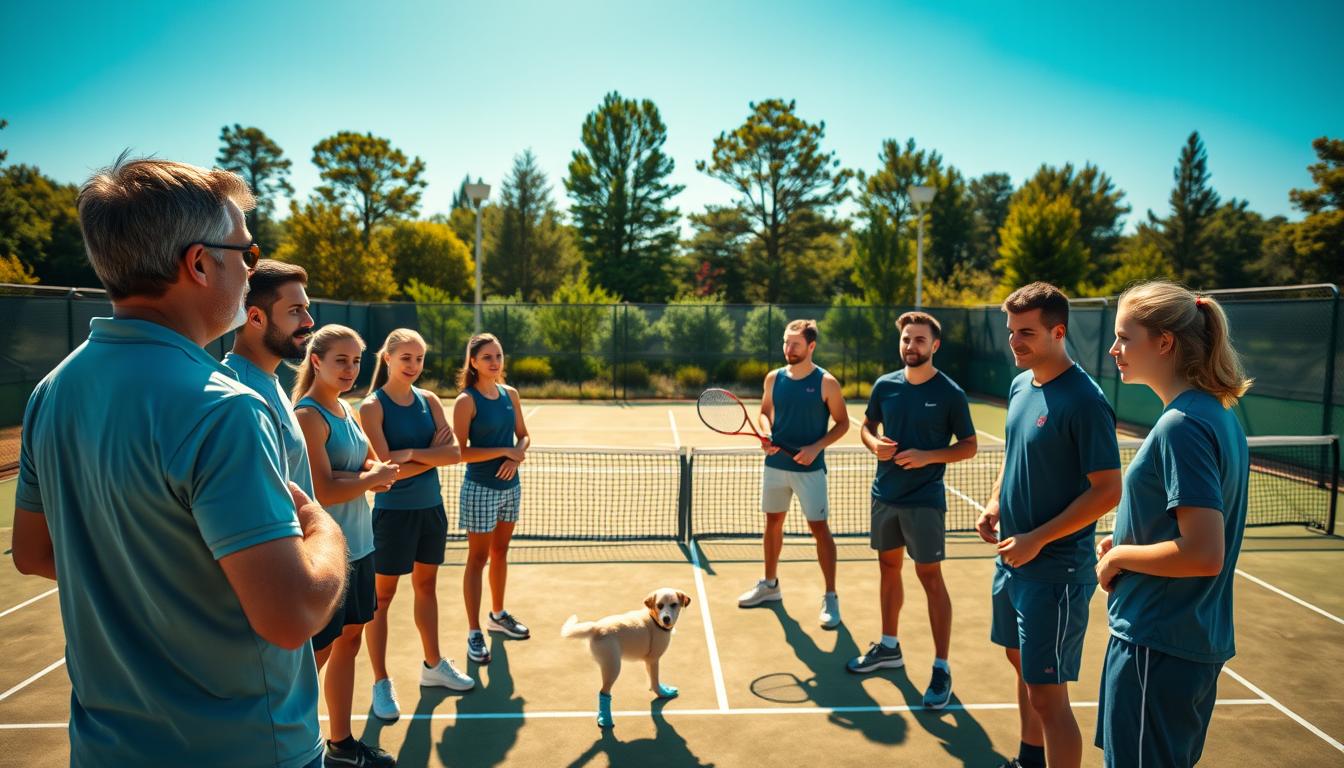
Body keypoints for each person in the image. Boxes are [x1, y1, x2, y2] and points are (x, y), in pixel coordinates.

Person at [11, 155, 346, 767]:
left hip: (105, 749)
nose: (250, 269)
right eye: (246, 252)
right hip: (246, 749)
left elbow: (33, 554)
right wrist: (325, 530)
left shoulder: (52, 392)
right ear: (199, 263)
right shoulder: (224, 408)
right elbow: (292, 613)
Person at [1095, 282, 1252, 767]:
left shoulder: (1181, 425)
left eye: (1125, 338)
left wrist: (1120, 557)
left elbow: (1203, 553)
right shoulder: (1215, 415)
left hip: (1157, 643)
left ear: (1164, 343)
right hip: (1177, 641)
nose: (1114, 349)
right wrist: (1129, 538)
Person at [975, 282, 1122, 768]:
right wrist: (995, 503)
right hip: (1013, 563)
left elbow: (1108, 490)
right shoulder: (1022, 384)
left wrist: (1037, 539)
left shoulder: (1085, 401)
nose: (1014, 341)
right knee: (1022, 669)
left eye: (1027, 333)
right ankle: (1028, 759)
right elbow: (1015, 454)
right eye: (1012, 331)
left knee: (1049, 697)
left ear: (1058, 333)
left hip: (1054, 573)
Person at [848, 311, 977, 711]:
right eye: (906, 338)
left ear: (934, 345)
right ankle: (889, 646)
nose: (911, 346)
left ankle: (941, 666)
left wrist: (927, 456)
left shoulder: (951, 393)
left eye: (920, 340)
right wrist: (874, 444)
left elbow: (969, 445)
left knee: (929, 577)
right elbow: (866, 426)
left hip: (924, 502)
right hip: (884, 496)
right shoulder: (885, 386)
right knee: (888, 569)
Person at [293, 325, 401, 767]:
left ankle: (340, 744)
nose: (350, 369)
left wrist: (371, 472)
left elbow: (371, 462)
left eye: (356, 361)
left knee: (350, 641)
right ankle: (289, 746)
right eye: (341, 360)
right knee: (312, 659)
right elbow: (323, 489)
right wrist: (372, 478)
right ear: (316, 361)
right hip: (326, 556)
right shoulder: (308, 416)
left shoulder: (346, 408)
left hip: (361, 547)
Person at [361, 328, 474, 722]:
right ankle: (380, 681)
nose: (413, 365)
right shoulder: (372, 407)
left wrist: (408, 453)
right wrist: (427, 454)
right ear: (388, 358)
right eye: (405, 357)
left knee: (427, 588)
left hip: (432, 510)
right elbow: (384, 470)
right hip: (392, 516)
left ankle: (433, 665)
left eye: (419, 358)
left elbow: (454, 453)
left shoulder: (429, 400)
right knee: (382, 599)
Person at [736, 320, 850, 627]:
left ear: (811, 346)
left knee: (819, 529)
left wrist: (816, 447)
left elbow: (842, 423)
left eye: (795, 344)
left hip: (810, 471)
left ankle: (830, 596)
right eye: (786, 342)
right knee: (773, 522)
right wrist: (766, 434)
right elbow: (764, 413)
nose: (788, 348)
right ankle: (770, 585)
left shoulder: (827, 383)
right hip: (775, 467)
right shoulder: (774, 378)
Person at [452, 333, 533, 666]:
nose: (495, 362)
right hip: (480, 489)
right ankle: (474, 631)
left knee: (500, 552)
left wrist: (516, 457)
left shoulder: (510, 394)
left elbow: (524, 436)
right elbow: (459, 452)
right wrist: (504, 451)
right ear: (473, 362)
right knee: (477, 559)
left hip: (511, 488)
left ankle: (497, 615)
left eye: (498, 356)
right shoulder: (466, 401)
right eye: (487, 357)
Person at [222, 259, 316, 502]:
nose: (309, 321)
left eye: (306, 308)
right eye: (295, 310)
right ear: (255, 318)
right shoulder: (239, 395)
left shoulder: (265, 380)